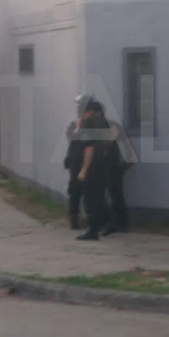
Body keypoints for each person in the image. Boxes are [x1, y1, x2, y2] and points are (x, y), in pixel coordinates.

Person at [75, 98, 112, 241]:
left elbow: (88, 147)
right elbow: (108, 142)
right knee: (99, 196)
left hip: (91, 165)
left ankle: (93, 230)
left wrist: (84, 169)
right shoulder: (102, 121)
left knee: (90, 199)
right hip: (102, 163)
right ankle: (105, 222)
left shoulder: (88, 123)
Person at [105, 117, 138, 235]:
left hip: (110, 167)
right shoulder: (111, 126)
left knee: (115, 196)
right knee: (115, 196)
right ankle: (120, 223)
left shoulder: (110, 127)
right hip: (110, 167)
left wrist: (123, 167)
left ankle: (117, 223)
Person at [63, 96, 89, 230]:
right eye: (79, 107)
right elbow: (70, 137)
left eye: (81, 107)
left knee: (89, 193)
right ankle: (74, 219)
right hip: (74, 163)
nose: (79, 110)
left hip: (86, 164)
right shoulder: (75, 125)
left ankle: (91, 220)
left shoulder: (90, 126)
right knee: (74, 193)